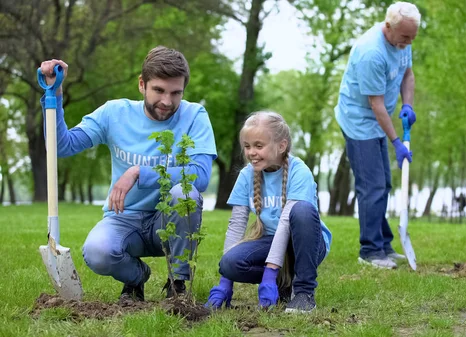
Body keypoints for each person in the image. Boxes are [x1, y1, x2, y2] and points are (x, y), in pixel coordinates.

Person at [38, 46, 217, 302]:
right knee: (97, 252)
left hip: (168, 222)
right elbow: (61, 146)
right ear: (142, 84)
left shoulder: (194, 116)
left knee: (185, 192)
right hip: (124, 219)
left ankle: (178, 285)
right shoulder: (114, 113)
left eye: (176, 92)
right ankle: (136, 278)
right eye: (159, 90)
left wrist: (138, 172)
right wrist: (54, 94)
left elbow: (200, 176)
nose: (167, 101)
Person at [205, 111, 332, 313]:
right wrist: (225, 282)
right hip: (270, 240)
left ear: (281, 146)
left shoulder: (300, 172)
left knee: (303, 210)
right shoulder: (247, 175)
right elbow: (236, 224)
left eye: (258, 146)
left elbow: (285, 224)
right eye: (247, 146)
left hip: (306, 244)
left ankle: (303, 293)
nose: (251, 152)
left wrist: (270, 274)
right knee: (230, 263)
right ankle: (284, 284)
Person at [334, 2, 420, 269]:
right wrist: (396, 141)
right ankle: (370, 251)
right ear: (388, 26)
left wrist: (408, 104)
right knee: (372, 186)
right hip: (359, 121)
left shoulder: (403, 40)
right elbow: (376, 105)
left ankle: (383, 243)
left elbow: (408, 75)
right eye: (405, 36)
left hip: (377, 119)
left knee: (382, 183)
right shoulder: (371, 52)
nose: (409, 42)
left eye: (412, 37)